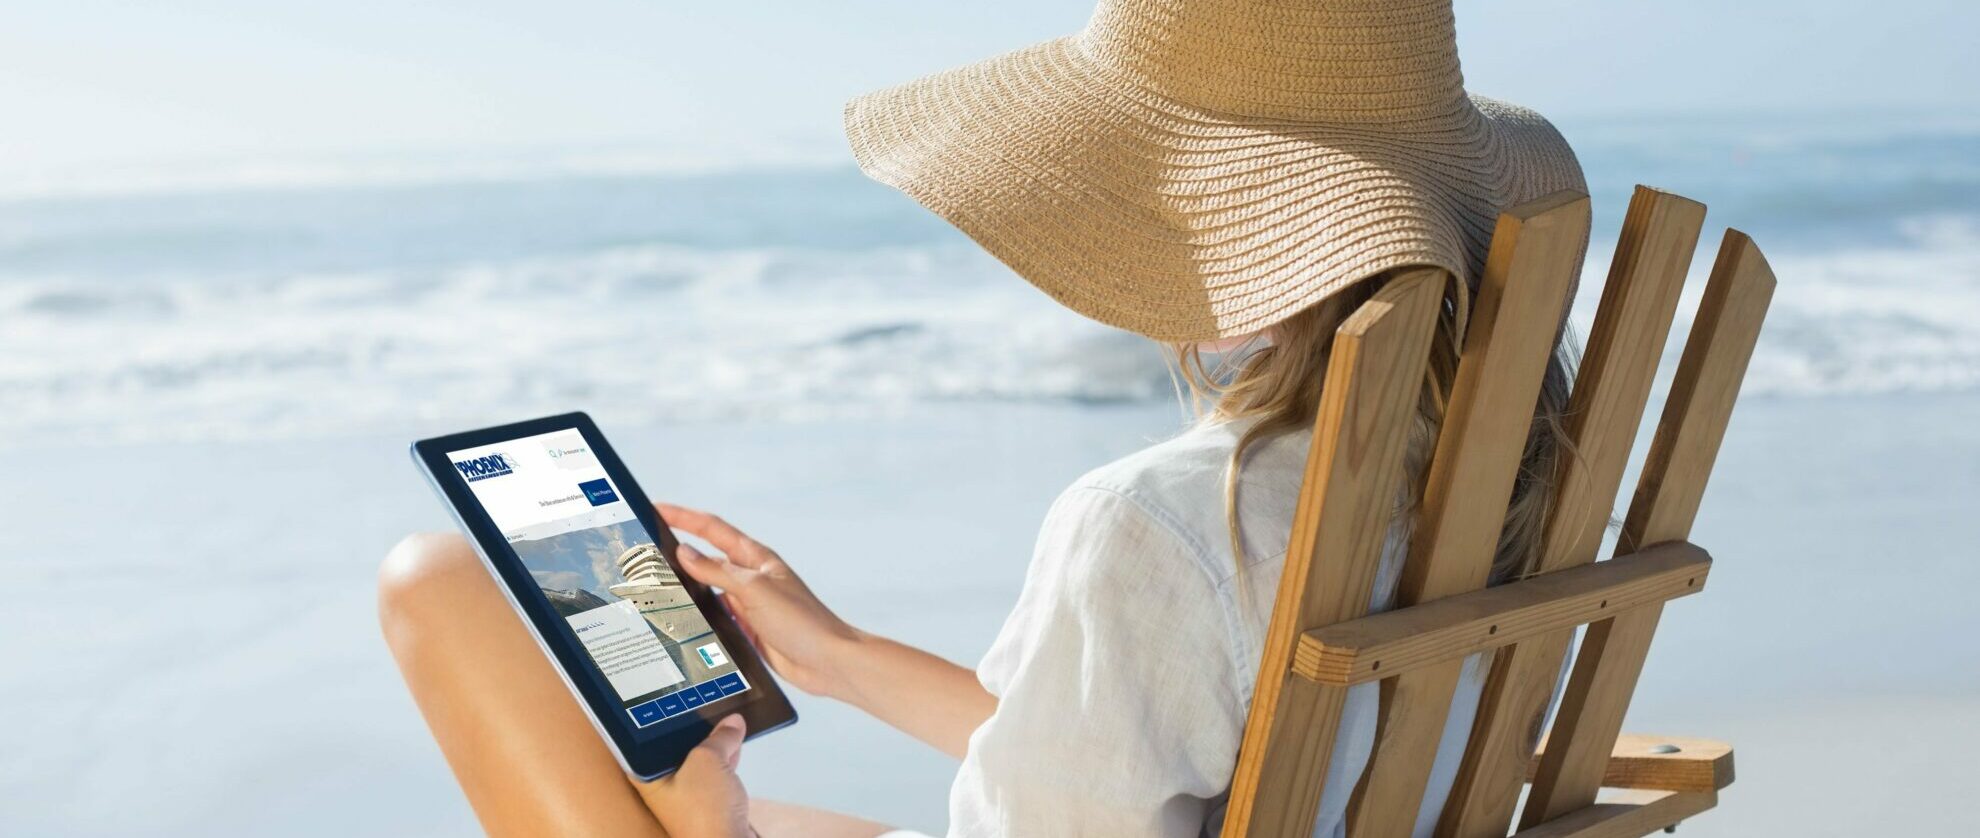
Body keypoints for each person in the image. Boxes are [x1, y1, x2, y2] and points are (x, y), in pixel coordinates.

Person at [379, 0, 1586, 835]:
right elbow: (1133, 761)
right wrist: (837, 655)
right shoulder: (1497, 470)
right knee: (739, 811)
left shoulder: (1162, 522)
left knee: (434, 578)